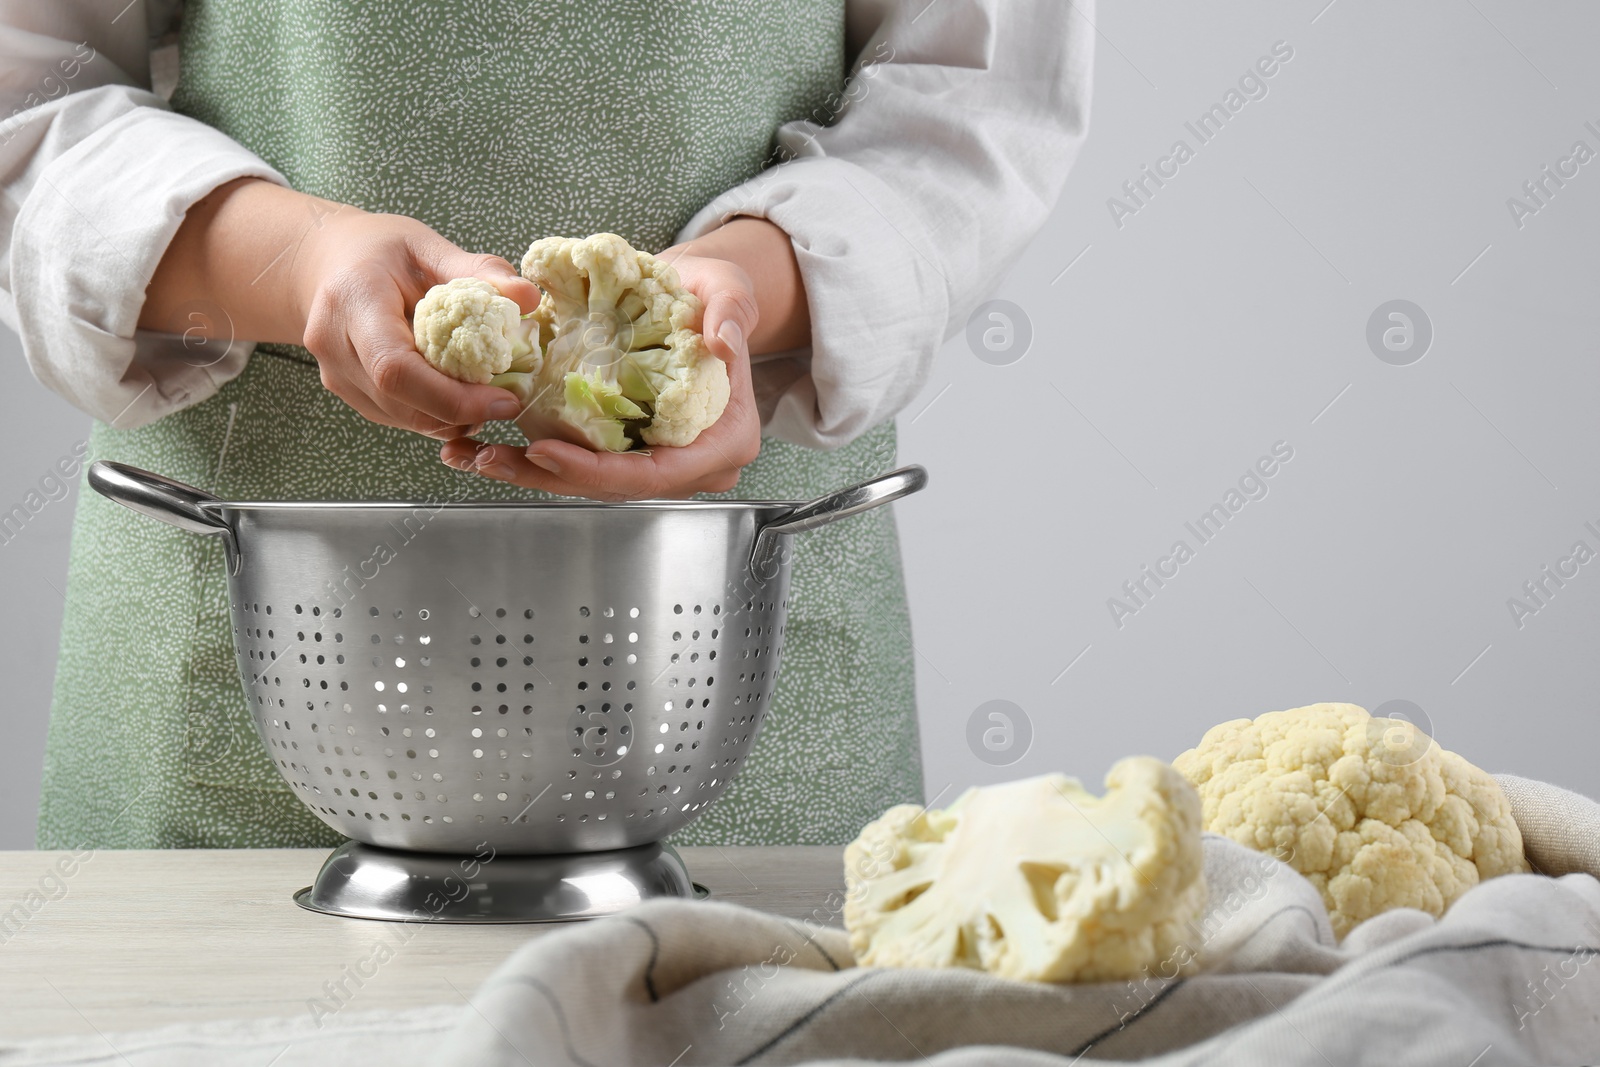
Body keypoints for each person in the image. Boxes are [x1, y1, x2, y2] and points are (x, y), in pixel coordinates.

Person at [0, 0, 1091, 849]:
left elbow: (974, 99)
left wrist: (738, 296)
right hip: (229, 709)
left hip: (750, 683)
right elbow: (32, 97)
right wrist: (302, 268)